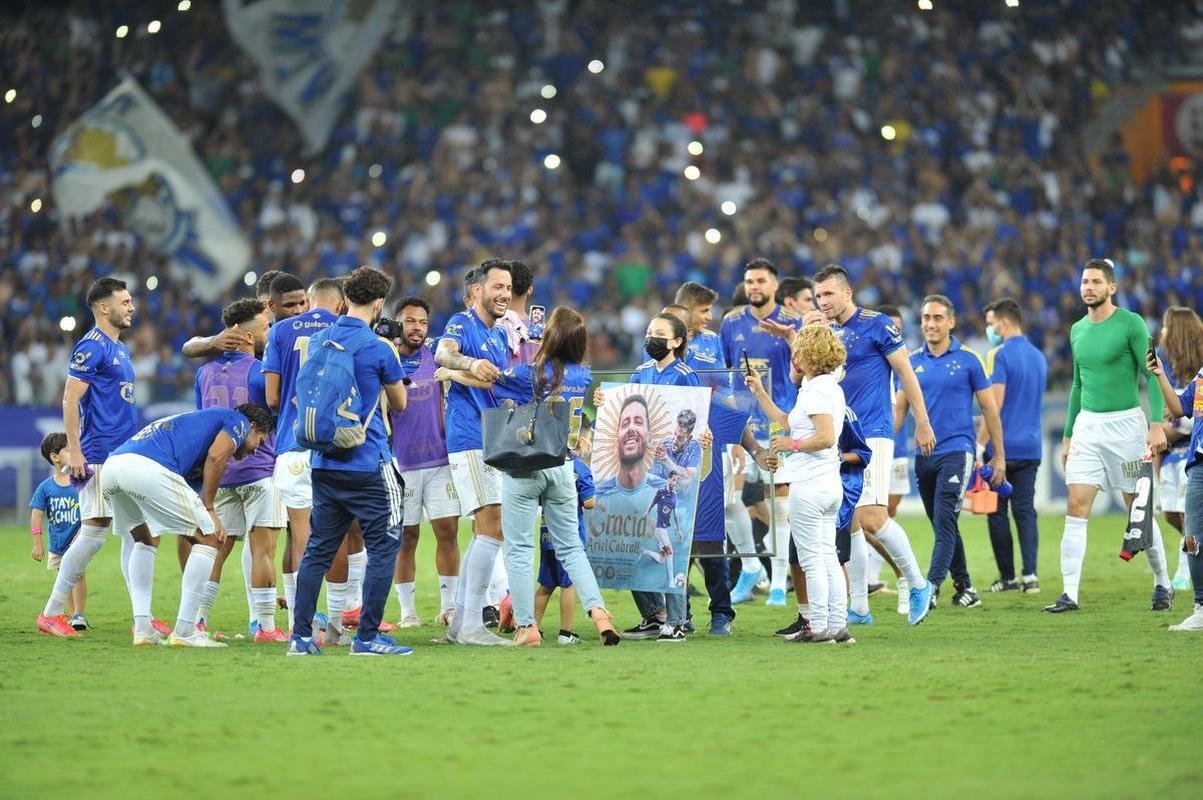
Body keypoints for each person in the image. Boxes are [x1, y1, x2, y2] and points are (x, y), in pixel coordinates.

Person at [444, 307, 621, 646]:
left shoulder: (529, 373)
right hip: (562, 467)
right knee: (572, 548)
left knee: (521, 549)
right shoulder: (583, 377)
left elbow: (489, 379)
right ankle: (599, 614)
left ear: (550, 338)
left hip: (525, 466)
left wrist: (451, 372)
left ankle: (528, 627)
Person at [288, 266, 410, 656]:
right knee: (384, 546)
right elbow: (400, 403)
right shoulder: (379, 347)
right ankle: (368, 637)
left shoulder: (320, 340)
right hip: (368, 461)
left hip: (324, 462)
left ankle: (301, 637)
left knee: (318, 550)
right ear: (379, 304)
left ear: (343, 300)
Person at [1046, 258, 1171, 613]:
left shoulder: (1132, 324)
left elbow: (1152, 374)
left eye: (1096, 282)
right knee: (1076, 504)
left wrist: (1157, 421)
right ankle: (1069, 593)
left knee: (1138, 510)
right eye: (1085, 281)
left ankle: (1162, 582)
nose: (1088, 287)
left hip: (1126, 427)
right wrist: (1069, 435)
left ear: (1111, 288)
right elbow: (1077, 385)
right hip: (1088, 428)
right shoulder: (1076, 330)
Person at [813, 264, 935, 626]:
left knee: (871, 516)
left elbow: (906, 375)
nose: (823, 301)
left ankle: (917, 583)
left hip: (872, 434)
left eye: (829, 294)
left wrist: (922, 423)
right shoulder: (824, 331)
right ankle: (859, 608)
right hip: (837, 435)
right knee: (848, 521)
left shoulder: (877, 324)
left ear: (847, 293)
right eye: (818, 295)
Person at [37, 278, 159, 639]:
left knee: (140, 536)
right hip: (99, 455)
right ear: (104, 308)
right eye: (125, 301)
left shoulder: (119, 348)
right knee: (93, 535)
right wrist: (75, 450)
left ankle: (144, 620)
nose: (131, 306)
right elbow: (69, 399)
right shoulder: (91, 347)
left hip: (123, 454)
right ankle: (51, 613)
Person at [746, 325, 853, 643]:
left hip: (810, 484)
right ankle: (837, 625)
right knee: (827, 556)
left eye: (799, 349)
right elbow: (786, 421)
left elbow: (825, 437)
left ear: (809, 354)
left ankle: (818, 626)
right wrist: (760, 392)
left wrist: (788, 446)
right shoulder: (826, 386)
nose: (794, 356)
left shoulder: (816, 391)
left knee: (811, 559)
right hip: (828, 484)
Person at [897, 295, 1006, 609]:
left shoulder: (970, 360)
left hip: (958, 451)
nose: (931, 324)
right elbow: (899, 412)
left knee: (944, 521)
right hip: (925, 456)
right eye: (926, 317)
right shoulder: (912, 361)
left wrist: (998, 455)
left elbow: (990, 410)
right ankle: (966, 588)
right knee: (943, 524)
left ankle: (929, 588)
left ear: (951, 322)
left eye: (938, 318)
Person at [193, 298, 286, 642]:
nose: (268, 333)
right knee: (263, 549)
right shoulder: (261, 373)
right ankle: (264, 626)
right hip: (260, 471)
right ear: (247, 337)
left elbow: (205, 423)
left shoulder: (203, 373)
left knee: (215, 550)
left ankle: (197, 619)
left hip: (221, 475)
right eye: (264, 328)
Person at [435, 260, 513, 646]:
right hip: (470, 439)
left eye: (508, 287)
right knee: (492, 528)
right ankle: (470, 625)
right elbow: (442, 353)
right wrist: (466, 363)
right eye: (498, 286)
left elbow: (495, 384)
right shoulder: (462, 324)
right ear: (478, 290)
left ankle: (460, 624)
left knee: (487, 531)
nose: (504, 294)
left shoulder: (499, 337)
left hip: (493, 439)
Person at [262, 274, 343, 632]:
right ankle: (339, 618)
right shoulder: (343, 326)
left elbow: (272, 398)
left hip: (294, 445)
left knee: (300, 534)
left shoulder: (279, 332)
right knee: (337, 529)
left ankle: (302, 620)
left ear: (309, 300)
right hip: (337, 443)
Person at [719, 260, 802, 606]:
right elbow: (727, 373)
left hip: (777, 424)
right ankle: (752, 566)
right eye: (749, 281)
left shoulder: (792, 322)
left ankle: (779, 584)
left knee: (779, 508)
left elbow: (802, 371)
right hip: (740, 425)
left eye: (761, 281)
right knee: (729, 502)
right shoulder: (731, 322)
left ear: (774, 285)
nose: (754, 287)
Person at [666, 291, 743, 635]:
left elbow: (726, 396)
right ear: (684, 313)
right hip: (671, 455)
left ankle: (721, 611)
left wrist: (741, 436)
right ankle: (680, 614)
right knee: (674, 535)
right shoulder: (662, 342)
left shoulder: (713, 342)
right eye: (703, 310)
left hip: (709, 452)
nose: (709, 316)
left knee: (711, 536)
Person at [387, 296, 462, 628]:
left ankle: (448, 606)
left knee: (448, 531)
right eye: (410, 321)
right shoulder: (385, 359)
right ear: (397, 323)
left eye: (422, 322)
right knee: (406, 537)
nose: (416, 328)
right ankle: (407, 611)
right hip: (400, 463)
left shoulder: (435, 357)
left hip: (438, 459)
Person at [979, 297, 1048, 594]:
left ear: (1004, 323)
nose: (990, 329)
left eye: (992, 324)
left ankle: (1007, 578)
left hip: (1003, 449)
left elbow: (994, 406)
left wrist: (980, 444)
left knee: (997, 511)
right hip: (1032, 445)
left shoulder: (999, 354)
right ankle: (1030, 576)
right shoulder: (1038, 356)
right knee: (1026, 511)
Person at [1147, 350, 1203, 630]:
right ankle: (1201, 609)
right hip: (1199, 464)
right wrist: (1160, 375)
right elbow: (1181, 407)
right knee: (1192, 537)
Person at [1153, 307, 1203, 593]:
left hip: (1191, 448)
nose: (1162, 332)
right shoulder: (1171, 366)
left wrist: (1165, 430)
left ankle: (1186, 569)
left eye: (1165, 326)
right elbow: (1178, 408)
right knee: (1173, 512)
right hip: (1177, 451)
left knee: (1188, 514)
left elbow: (1187, 417)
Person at [534, 452, 597, 645]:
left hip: (547, 533)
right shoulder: (578, 467)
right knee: (569, 583)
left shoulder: (545, 464)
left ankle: (533, 629)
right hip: (569, 535)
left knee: (546, 585)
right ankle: (565, 633)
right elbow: (590, 502)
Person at [30, 433, 85, 630]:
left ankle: (79, 614)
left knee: (78, 573)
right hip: (57, 544)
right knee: (64, 576)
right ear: (55, 457)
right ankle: (67, 614)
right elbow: (36, 515)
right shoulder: (45, 487)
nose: (75, 452)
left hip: (78, 541)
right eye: (69, 450)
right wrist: (38, 543)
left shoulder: (80, 481)